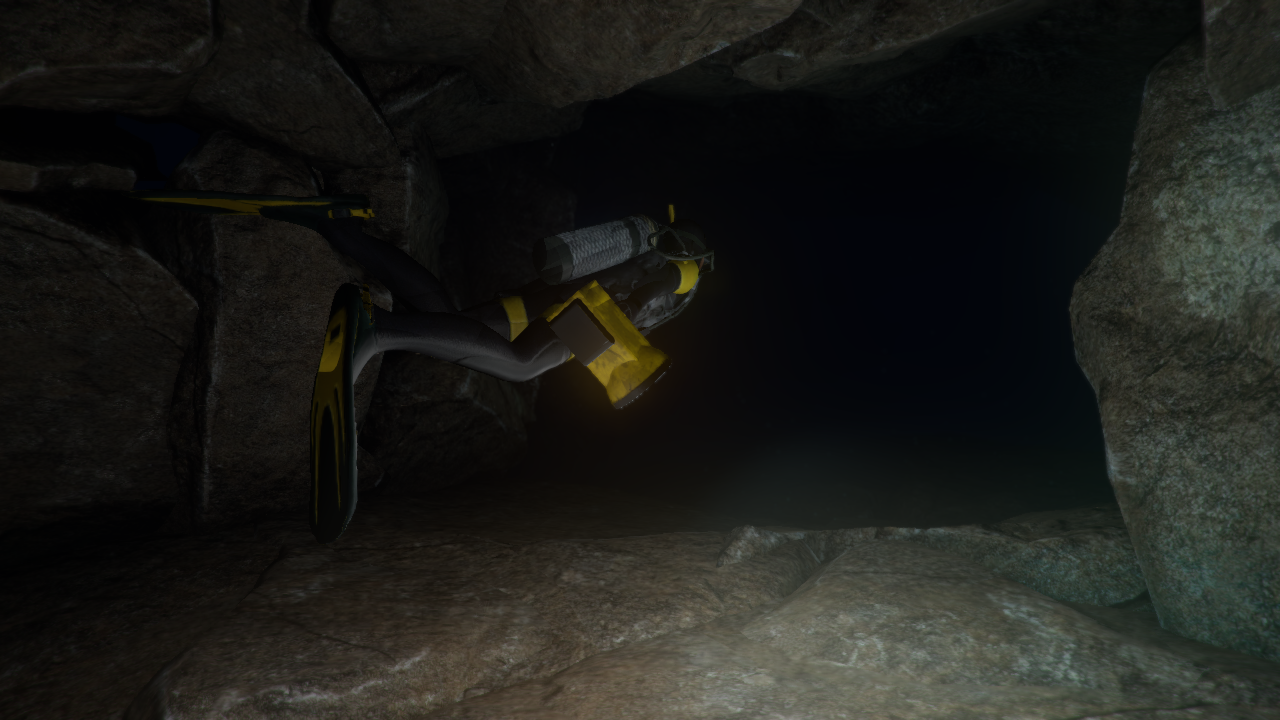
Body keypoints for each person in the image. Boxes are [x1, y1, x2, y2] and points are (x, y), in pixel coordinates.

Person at [258, 206, 713, 542]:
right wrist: (629, 311)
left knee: (447, 321)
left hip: (538, 303)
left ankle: (342, 230)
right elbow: (655, 287)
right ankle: (375, 330)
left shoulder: (655, 238)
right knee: (523, 364)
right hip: (586, 316)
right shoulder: (688, 273)